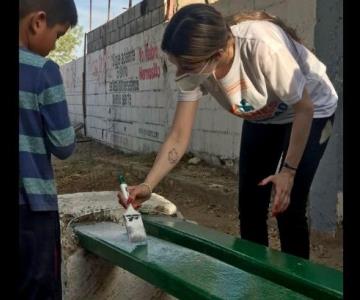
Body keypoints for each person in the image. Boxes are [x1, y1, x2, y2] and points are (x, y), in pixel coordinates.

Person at [118, 3, 338, 260]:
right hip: (265, 116)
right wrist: (148, 185)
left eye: (186, 66)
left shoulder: (262, 47)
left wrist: (288, 172)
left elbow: (304, 108)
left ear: (218, 53)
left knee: (288, 205)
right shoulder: (194, 66)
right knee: (250, 205)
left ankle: (299, 289)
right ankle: (256, 279)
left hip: (311, 110)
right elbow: (179, 135)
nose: (180, 73)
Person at [19, 0, 78, 298]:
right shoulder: (43, 71)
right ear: (38, 21)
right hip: (31, 211)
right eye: (58, 35)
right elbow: (63, 145)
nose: (55, 46)